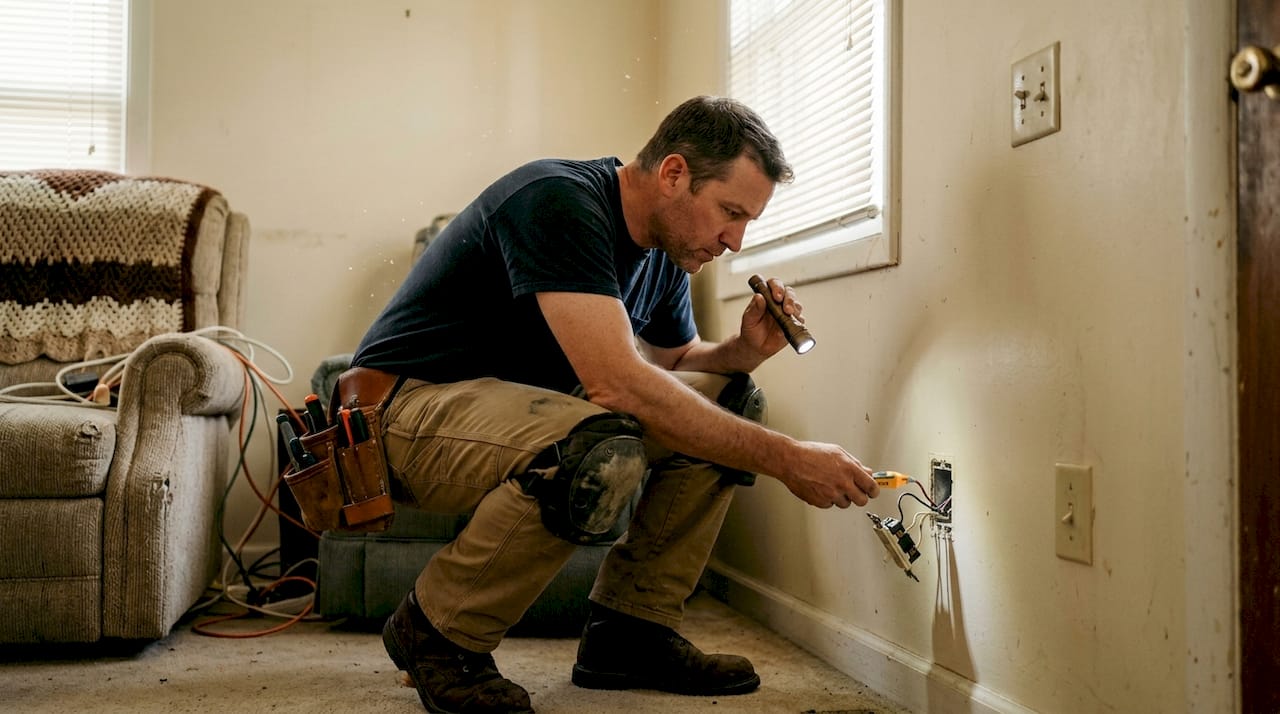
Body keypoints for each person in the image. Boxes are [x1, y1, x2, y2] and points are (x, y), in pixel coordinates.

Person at [347, 95, 880, 713]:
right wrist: (786, 459)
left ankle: (630, 630)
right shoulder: (557, 200)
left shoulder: (665, 256)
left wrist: (740, 352)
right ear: (674, 173)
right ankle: (438, 633)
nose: (734, 241)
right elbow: (619, 384)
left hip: (515, 414)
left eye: (746, 223)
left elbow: (674, 365)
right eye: (730, 213)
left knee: (728, 400)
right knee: (599, 445)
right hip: (400, 413)